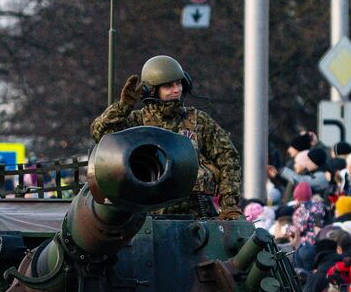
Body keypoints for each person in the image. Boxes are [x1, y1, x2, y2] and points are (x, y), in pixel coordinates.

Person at [91, 55, 242, 219]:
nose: (176, 90)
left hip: (196, 213)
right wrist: (123, 107)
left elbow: (228, 159)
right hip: (146, 215)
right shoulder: (136, 122)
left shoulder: (199, 121)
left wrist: (229, 205)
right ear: (152, 91)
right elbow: (100, 133)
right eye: (168, 86)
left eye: (179, 83)